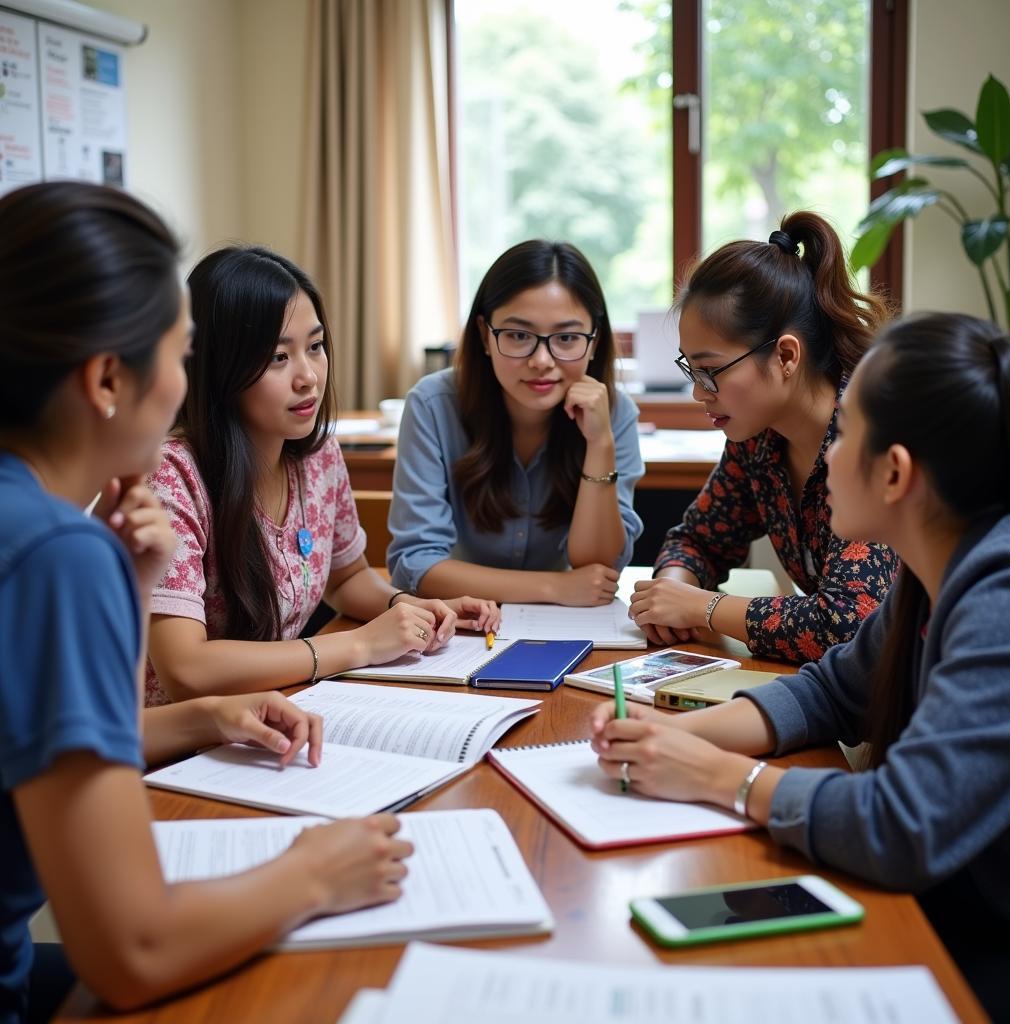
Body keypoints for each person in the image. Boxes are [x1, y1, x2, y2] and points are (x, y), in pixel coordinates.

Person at [0, 182, 412, 1022]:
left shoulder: (45, 534)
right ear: (110, 377)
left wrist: (203, 708)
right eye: (182, 354)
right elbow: (131, 952)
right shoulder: (52, 553)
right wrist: (316, 872)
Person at [592, 312, 1010, 1021]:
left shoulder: (1006, 594)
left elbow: (901, 825)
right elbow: (829, 691)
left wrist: (719, 777)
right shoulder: (936, 568)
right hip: (951, 899)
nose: (826, 457)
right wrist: (676, 732)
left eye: (845, 433)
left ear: (895, 473)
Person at [145, 246, 499, 706]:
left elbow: (346, 577)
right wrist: (359, 645)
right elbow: (185, 671)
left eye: (315, 347)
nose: (308, 376)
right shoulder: (172, 478)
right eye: (277, 357)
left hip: (278, 712)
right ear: (219, 368)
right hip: (178, 750)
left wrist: (406, 607)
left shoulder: (316, 454)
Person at [632, 212, 896, 662]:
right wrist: (671, 591)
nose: (699, 391)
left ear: (786, 356)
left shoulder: (874, 432)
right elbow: (699, 539)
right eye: (691, 370)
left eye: (710, 371)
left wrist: (703, 607)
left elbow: (849, 624)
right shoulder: (756, 440)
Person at [387, 240, 644, 606]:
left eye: (567, 338)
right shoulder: (432, 405)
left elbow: (600, 571)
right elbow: (415, 565)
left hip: (569, 629)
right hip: (460, 626)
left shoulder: (614, 413)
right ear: (484, 335)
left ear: (593, 341)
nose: (541, 360)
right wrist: (554, 588)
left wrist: (600, 445)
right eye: (519, 335)